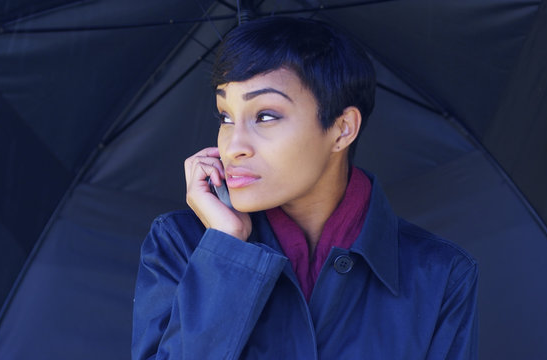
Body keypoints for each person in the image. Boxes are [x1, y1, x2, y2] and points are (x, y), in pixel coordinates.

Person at [132, 16, 478, 360]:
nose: (233, 145)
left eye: (265, 116)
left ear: (342, 129)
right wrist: (225, 250)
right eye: (225, 115)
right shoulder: (181, 245)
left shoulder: (439, 275)